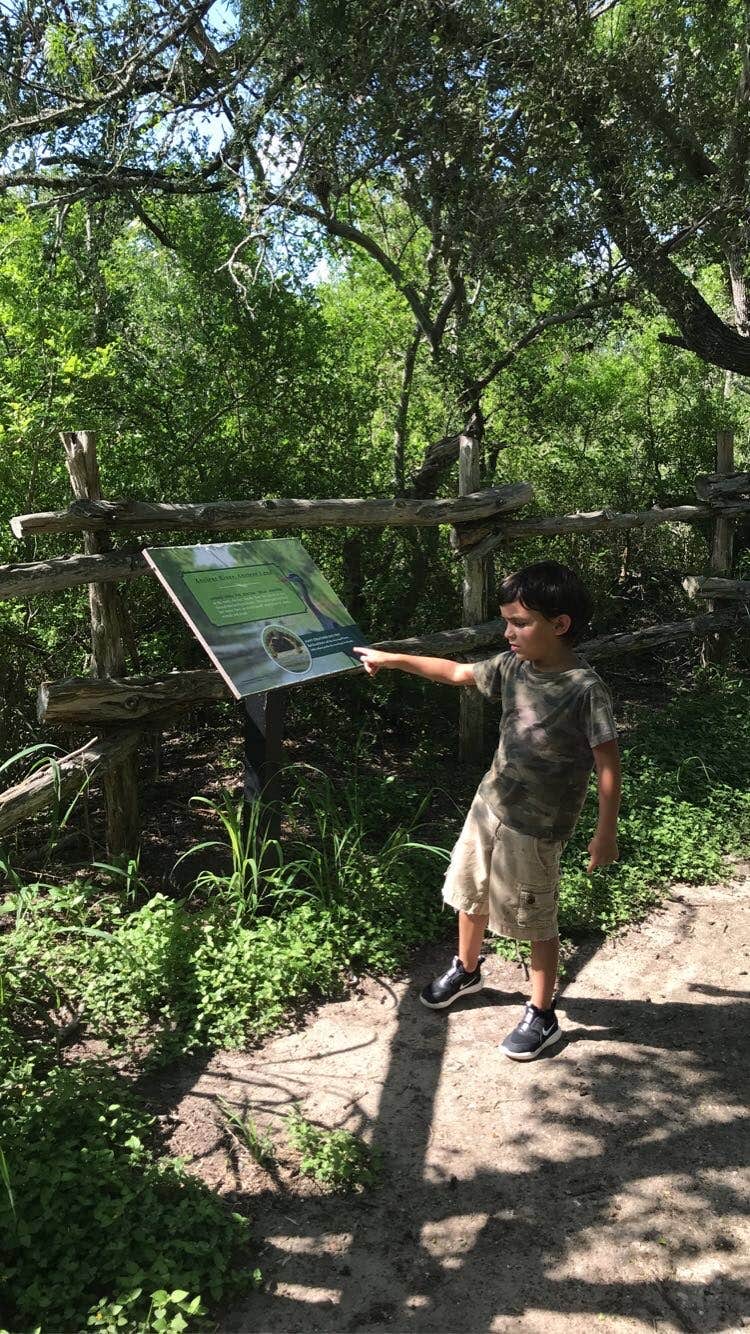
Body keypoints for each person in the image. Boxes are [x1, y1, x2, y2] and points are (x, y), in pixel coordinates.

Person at [353, 560, 621, 1061]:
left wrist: (605, 833)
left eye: (519, 622)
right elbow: (456, 672)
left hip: (536, 826)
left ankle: (542, 1014)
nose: (508, 633)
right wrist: (393, 659)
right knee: (470, 890)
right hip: (489, 805)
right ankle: (467, 969)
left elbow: (608, 763)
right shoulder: (513, 667)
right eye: (506, 622)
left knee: (536, 918)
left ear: (559, 624)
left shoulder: (584, 689)